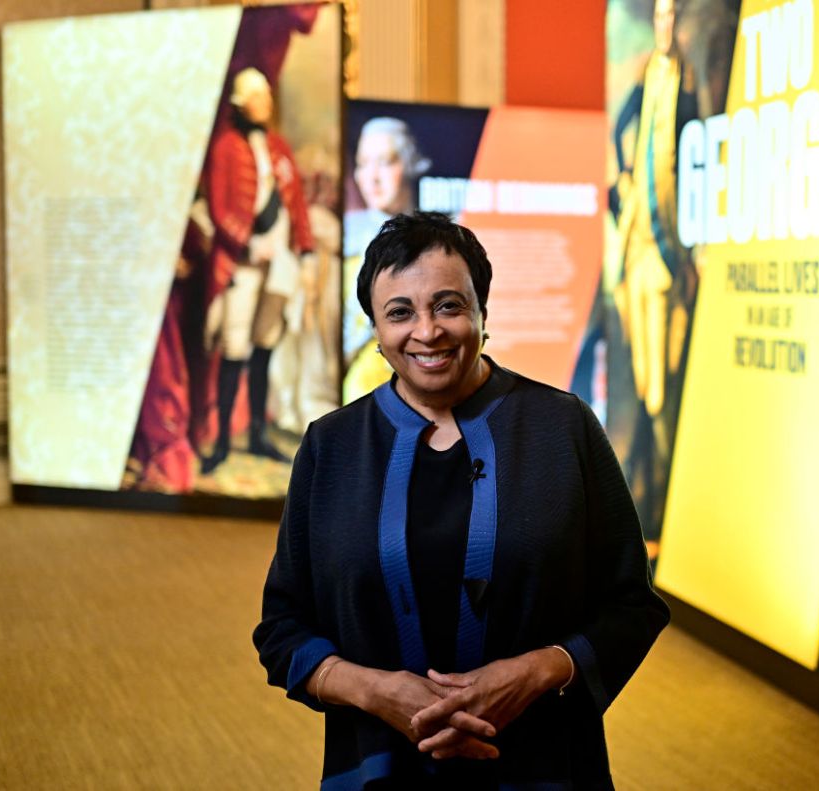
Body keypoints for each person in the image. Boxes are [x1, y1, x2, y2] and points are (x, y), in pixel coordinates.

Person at [253, 212, 670, 789]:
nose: (427, 332)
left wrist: (537, 670)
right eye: (400, 312)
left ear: (482, 312)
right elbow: (282, 630)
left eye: (448, 305)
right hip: (380, 768)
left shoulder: (562, 426)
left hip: (543, 767)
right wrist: (377, 692)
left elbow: (632, 605)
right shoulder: (332, 446)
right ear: (376, 330)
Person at [612, 0, 699, 552]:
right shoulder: (647, 76)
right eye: (659, 16)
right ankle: (643, 511)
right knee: (644, 385)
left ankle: (665, 506)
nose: (664, 27)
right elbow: (625, 130)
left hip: (673, 257)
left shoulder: (689, 82)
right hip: (637, 252)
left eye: (672, 16)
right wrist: (622, 179)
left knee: (666, 384)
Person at [201, 67, 314, 474]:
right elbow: (219, 208)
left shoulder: (280, 147)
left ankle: (258, 437)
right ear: (241, 102)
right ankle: (223, 446)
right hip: (242, 266)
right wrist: (247, 243)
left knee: (265, 345)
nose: (265, 104)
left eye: (267, 97)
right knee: (235, 349)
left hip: (279, 266)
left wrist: (305, 250)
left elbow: (296, 203)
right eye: (257, 97)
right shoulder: (226, 148)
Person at [342, 117, 431, 403]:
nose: (372, 177)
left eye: (385, 162)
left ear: (409, 165)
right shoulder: (344, 237)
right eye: (363, 163)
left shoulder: (438, 241)